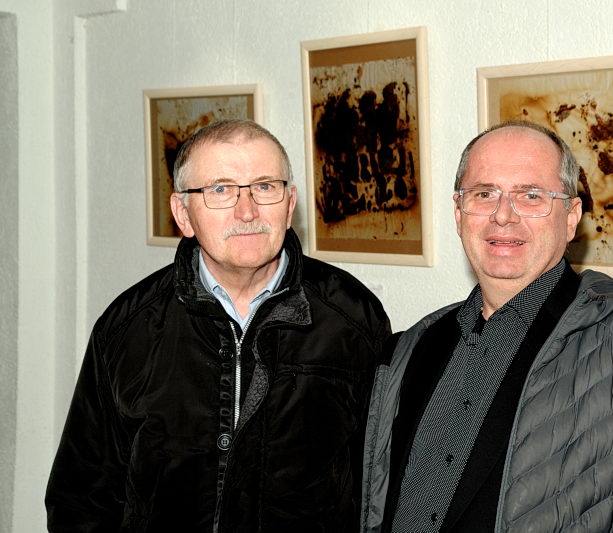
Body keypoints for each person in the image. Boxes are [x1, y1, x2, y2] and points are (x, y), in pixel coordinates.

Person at [360, 120, 613, 532]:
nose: (503, 216)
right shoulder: (416, 345)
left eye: (531, 196)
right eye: (484, 194)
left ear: (571, 217)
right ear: (458, 213)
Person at [46, 119, 391, 532]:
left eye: (265, 186)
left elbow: (378, 488)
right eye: (221, 190)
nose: (247, 211)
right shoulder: (128, 328)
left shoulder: (352, 320)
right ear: (183, 214)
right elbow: (81, 497)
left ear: (289, 204)